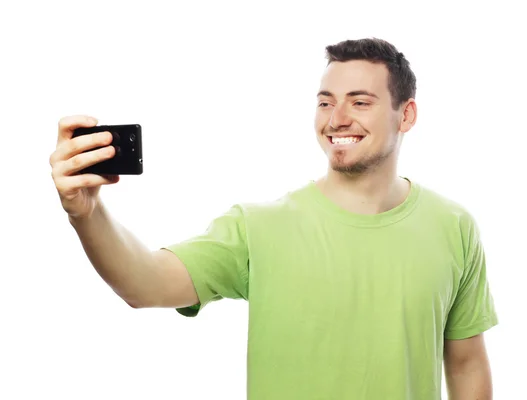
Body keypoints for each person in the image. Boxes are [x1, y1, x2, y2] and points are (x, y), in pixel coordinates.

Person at [50, 38, 498, 399]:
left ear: (407, 115)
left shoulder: (453, 226)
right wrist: (88, 215)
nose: (337, 119)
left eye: (359, 102)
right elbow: (143, 283)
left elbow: (466, 364)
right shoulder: (258, 227)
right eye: (325, 102)